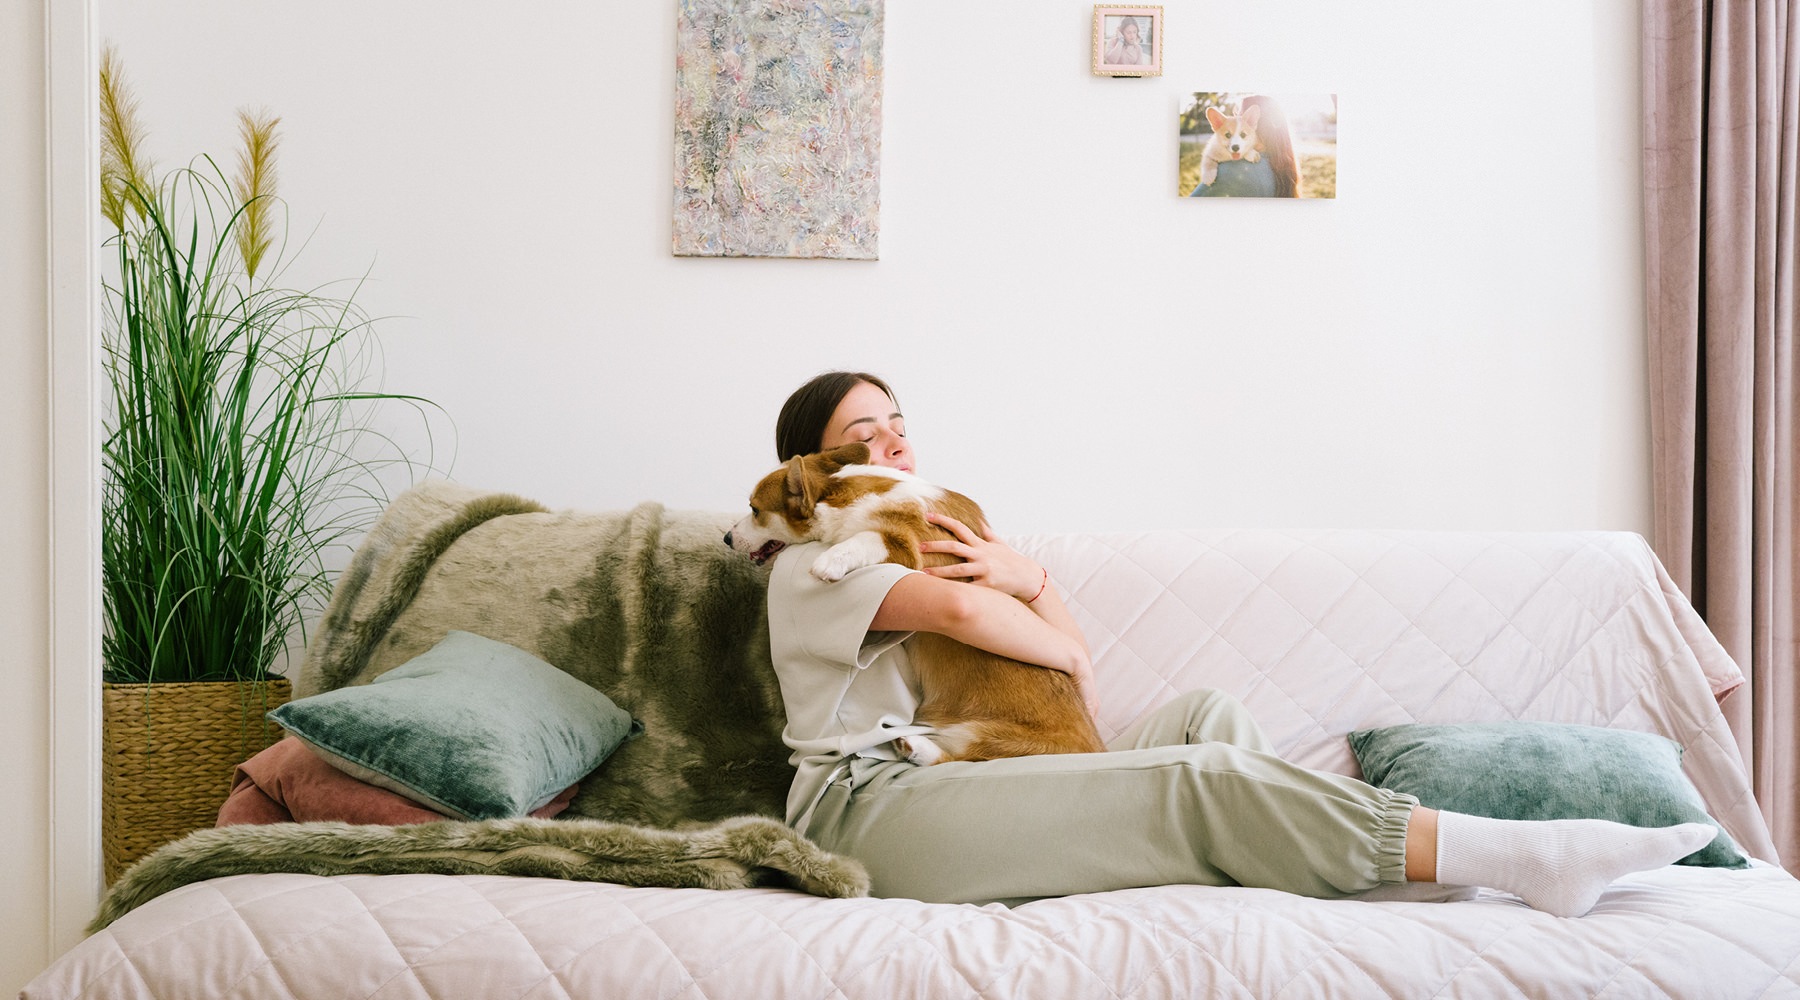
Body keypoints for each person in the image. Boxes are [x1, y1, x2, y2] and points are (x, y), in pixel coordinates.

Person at [763, 370, 1715, 914]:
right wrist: (1047, 629)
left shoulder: (929, 538)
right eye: (864, 436)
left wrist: (1034, 580)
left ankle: (1341, 875)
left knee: (1205, 716)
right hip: (872, 811)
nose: (894, 445)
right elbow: (985, 626)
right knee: (1201, 778)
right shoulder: (815, 567)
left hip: (963, 767)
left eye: (899, 426)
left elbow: (1044, 636)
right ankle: (1515, 857)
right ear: (810, 471)